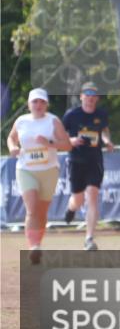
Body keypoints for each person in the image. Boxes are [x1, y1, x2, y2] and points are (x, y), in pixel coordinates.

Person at [6, 88, 72, 264]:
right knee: (32, 208)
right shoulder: (21, 121)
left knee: (42, 212)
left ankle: (38, 243)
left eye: (42, 102)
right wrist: (12, 147)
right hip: (26, 169)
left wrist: (49, 143)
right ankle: (33, 246)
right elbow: (11, 138)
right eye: (35, 101)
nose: (38, 105)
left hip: (49, 171)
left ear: (46, 104)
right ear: (29, 105)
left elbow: (67, 145)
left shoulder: (53, 121)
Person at [62, 81, 114, 251]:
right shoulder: (71, 115)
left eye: (93, 95)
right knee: (78, 199)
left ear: (97, 98)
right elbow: (59, 136)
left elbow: (104, 130)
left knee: (92, 195)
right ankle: (71, 209)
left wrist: (107, 141)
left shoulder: (102, 114)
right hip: (76, 161)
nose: (90, 98)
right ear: (81, 96)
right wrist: (70, 140)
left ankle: (89, 238)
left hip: (94, 160)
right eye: (87, 94)